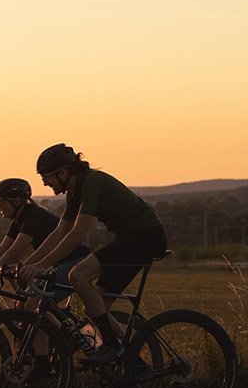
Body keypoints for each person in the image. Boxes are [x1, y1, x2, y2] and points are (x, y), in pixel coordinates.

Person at [18, 143, 169, 365]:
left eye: (47, 177)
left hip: (144, 237)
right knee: (95, 310)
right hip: (131, 239)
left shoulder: (91, 182)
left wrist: (42, 266)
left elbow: (77, 234)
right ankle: (130, 363)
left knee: (77, 275)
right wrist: (32, 263)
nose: (44, 183)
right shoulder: (75, 191)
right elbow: (60, 232)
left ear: (63, 172)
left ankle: (111, 346)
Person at [0, 178, 68, 289]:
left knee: (31, 304)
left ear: (16, 202)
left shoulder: (34, 216)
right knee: (23, 304)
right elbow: (2, 249)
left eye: (1, 201)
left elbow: (15, 251)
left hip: (70, 262)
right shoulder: (19, 219)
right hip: (53, 264)